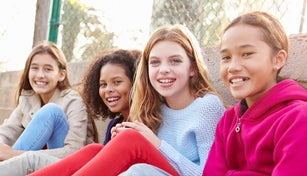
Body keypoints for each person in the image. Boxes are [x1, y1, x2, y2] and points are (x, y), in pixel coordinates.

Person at [30, 24, 225, 176]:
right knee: (95, 150)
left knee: (131, 142)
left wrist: (154, 144)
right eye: (155, 62)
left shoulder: (207, 106)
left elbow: (207, 174)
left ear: (192, 68)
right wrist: (119, 144)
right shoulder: (156, 108)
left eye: (175, 61)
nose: (164, 69)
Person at [202, 11, 307, 176]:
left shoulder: (297, 117)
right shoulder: (228, 120)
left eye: (247, 54)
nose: (233, 67)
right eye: (226, 57)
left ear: (278, 59)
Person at [0, 41, 95, 175]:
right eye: (34, 68)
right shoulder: (28, 100)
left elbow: (74, 151)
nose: (40, 75)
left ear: (61, 74)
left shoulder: (73, 101)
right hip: (38, 168)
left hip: (70, 168)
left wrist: (15, 154)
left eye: (48, 69)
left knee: (52, 111)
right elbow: (6, 131)